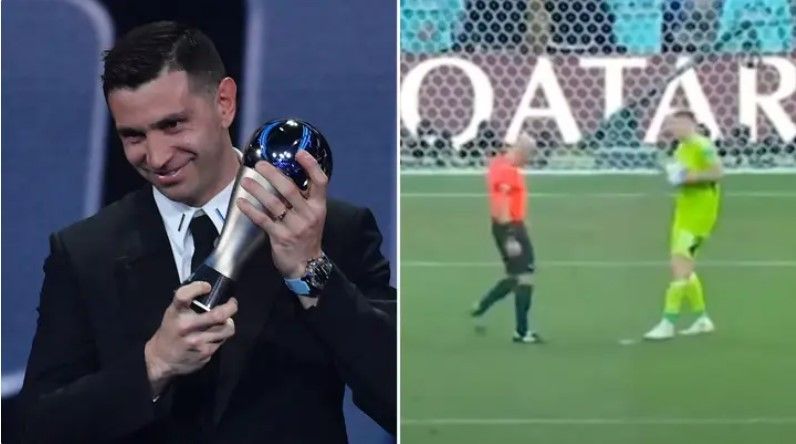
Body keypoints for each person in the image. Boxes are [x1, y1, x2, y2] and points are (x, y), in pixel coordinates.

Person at [20, 21, 396, 443]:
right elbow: (37, 429)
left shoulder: (333, 231)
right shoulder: (86, 253)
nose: (157, 157)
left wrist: (311, 272)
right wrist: (153, 364)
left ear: (224, 103)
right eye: (134, 136)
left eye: (173, 125)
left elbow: (401, 400)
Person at [644, 110, 722, 340]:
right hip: (684, 213)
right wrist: (677, 177)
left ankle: (668, 323)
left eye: (677, 124)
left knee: (680, 266)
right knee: (684, 266)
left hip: (699, 216)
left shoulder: (702, 146)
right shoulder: (681, 148)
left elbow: (717, 172)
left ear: (691, 124)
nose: (674, 129)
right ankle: (702, 319)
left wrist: (688, 177)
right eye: (671, 125)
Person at [470, 134, 542, 344]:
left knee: (515, 276)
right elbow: (501, 203)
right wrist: (511, 236)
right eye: (528, 157)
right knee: (525, 276)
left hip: (508, 225)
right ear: (521, 152)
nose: (528, 162)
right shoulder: (507, 171)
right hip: (509, 227)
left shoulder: (498, 164)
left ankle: (483, 305)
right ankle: (522, 331)